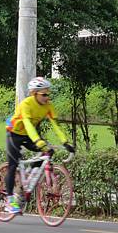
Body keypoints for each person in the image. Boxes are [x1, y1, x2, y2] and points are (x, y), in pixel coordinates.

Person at [4, 76, 75, 214]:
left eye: (48, 94)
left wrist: (65, 142)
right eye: (44, 94)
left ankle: (29, 178)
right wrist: (37, 141)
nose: (47, 97)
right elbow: (28, 124)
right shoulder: (26, 104)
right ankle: (9, 200)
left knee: (48, 151)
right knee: (12, 165)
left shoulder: (48, 106)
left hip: (29, 135)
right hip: (14, 133)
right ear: (34, 93)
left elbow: (55, 126)